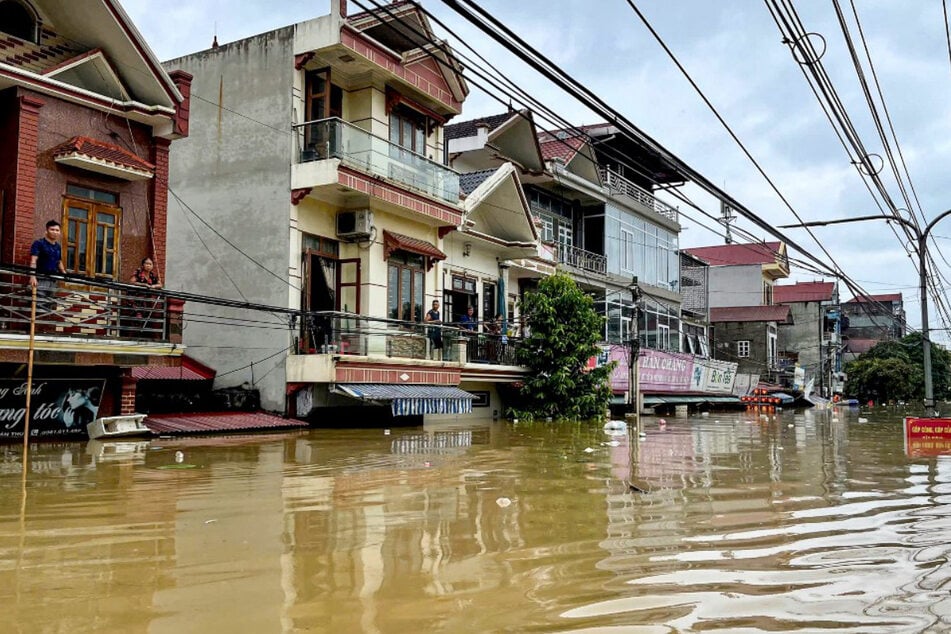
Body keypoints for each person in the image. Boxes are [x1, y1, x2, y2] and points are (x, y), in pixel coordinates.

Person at [29, 219, 66, 314]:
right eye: (52, 229)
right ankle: (33, 327)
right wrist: (32, 276)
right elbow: (33, 260)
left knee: (48, 306)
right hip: (41, 278)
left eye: (57, 230)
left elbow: (59, 261)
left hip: (53, 280)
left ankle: (42, 327)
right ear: (46, 231)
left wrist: (64, 274)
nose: (55, 232)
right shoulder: (39, 243)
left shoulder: (58, 246)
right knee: (38, 305)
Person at [130, 257, 162, 336]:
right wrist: (144, 284)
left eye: (150, 264)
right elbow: (132, 282)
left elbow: (160, 284)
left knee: (148, 319)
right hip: (136, 300)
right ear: (143, 265)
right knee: (137, 318)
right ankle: (134, 335)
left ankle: (143, 333)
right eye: (146, 263)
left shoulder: (152, 275)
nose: (148, 266)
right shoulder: (138, 272)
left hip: (147, 301)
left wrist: (154, 286)